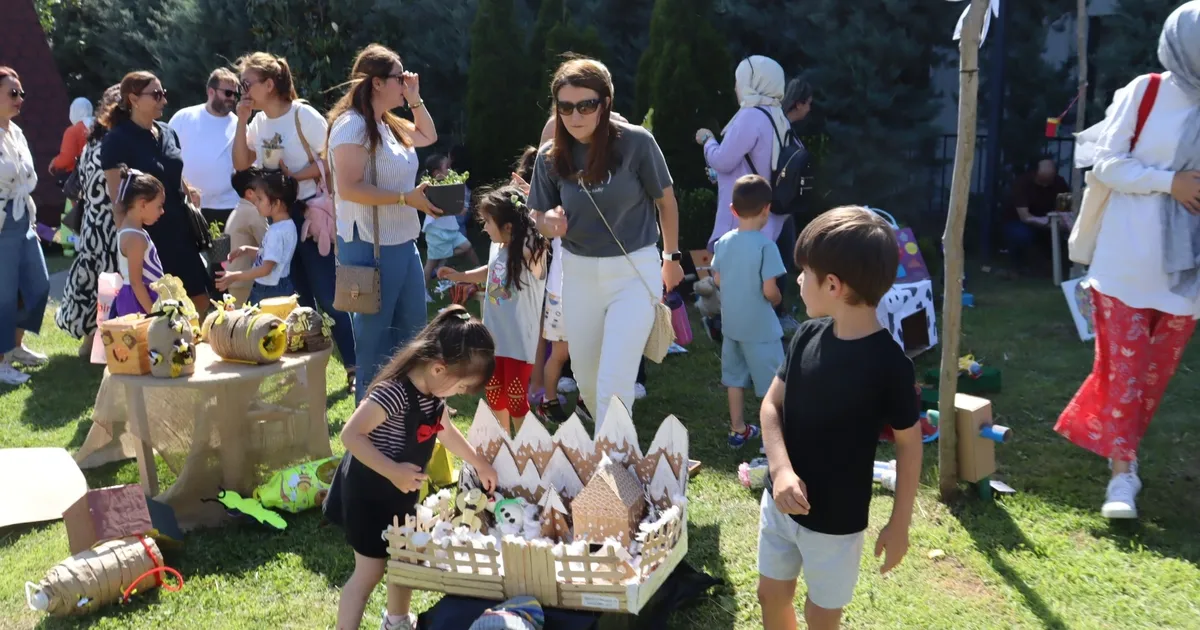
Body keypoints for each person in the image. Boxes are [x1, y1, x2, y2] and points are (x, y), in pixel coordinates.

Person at [1055, 2, 1200, 520]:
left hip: (1188, 273)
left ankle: (1115, 448)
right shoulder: (1148, 91)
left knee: (1151, 378)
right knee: (1125, 371)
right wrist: (1171, 182)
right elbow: (1108, 163)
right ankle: (1123, 475)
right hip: (1126, 261)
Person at [758, 207, 921, 630]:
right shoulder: (806, 336)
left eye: (804, 272)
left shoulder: (890, 365)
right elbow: (771, 407)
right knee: (770, 596)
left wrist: (899, 523)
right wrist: (779, 471)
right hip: (779, 506)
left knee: (821, 617)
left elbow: (909, 444)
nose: (797, 280)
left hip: (837, 523)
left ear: (832, 284)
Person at [528, 58, 682, 428]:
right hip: (578, 274)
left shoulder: (636, 143)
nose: (575, 115)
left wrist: (671, 256)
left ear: (605, 102)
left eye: (586, 105)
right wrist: (547, 223)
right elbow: (536, 215)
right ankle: (614, 456)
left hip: (633, 270)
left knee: (614, 378)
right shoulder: (551, 156)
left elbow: (666, 202)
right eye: (565, 106)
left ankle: (613, 468)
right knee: (587, 377)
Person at [324, 305, 499, 630]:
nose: (460, 395)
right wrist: (393, 470)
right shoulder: (392, 394)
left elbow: (444, 428)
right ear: (437, 368)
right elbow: (351, 435)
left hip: (399, 492)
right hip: (369, 494)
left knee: (405, 559)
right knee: (369, 572)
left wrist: (478, 462)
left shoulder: (432, 394)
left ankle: (398, 621)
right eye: (461, 387)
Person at [327, 43, 443, 402]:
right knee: (376, 341)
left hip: (403, 242)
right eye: (399, 77)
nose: (405, 81)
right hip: (368, 247)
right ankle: (369, 428)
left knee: (412, 335)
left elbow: (429, 136)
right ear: (377, 83)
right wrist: (404, 198)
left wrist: (415, 97)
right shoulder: (352, 126)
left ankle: (408, 412)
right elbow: (348, 188)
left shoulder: (388, 124)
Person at [235, 52, 356, 384]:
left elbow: (333, 160)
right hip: (280, 220)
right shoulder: (258, 123)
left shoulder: (303, 115)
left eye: (247, 83)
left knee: (330, 297)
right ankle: (304, 373)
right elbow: (242, 165)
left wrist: (296, 176)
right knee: (295, 301)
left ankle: (355, 367)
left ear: (269, 84)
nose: (242, 89)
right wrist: (242, 121)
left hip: (313, 218)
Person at [697, 56, 798, 335]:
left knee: (734, 281)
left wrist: (708, 141)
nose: (736, 87)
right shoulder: (778, 117)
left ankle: (731, 332)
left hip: (742, 216)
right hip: (768, 215)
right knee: (755, 281)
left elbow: (723, 160)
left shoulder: (751, 115)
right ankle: (753, 330)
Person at [100, 71, 213, 314]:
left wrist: (188, 191)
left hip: (180, 229)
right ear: (133, 98)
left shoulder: (168, 132)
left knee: (199, 298)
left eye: (164, 94)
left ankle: (198, 348)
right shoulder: (116, 140)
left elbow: (171, 170)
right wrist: (127, 241)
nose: (163, 100)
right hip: (148, 237)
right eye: (156, 94)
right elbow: (117, 197)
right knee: (156, 303)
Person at [438, 186, 548, 433]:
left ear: (508, 226)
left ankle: (526, 452)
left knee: (517, 401)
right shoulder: (497, 247)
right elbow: (491, 271)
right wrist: (460, 276)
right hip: (494, 341)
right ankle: (504, 447)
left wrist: (531, 211)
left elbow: (540, 235)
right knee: (496, 396)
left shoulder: (532, 252)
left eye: (488, 222)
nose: (484, 228)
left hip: (519, 345)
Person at [712, 175, 785, 449]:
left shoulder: (724, 242)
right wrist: (777, 299)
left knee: (734, 377)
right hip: (761, 329)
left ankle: (737, 429)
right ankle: (773, 441)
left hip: (733, 327)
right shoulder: (767, 246)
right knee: (774, 385)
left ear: (733, 210)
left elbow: (718, 280)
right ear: (767, 209)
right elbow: (769, 291)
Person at [55, 84, 122, 356]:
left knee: (95, 284)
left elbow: (76, 185)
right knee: (113, 284)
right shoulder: (119, 143)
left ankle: (92, 341)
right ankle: (106, 346)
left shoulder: (92, 142)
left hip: (92, 226)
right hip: (113, 225)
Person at [0, 67, 52, 384]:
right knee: (4, 294)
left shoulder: (16, 132)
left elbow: (26, 178)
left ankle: (15, 347)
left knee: (39, 285)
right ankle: (1, 360)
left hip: (23, 217)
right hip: (2, 218)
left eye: (21, 93)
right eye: (12, 93)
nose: (20, 99)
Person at [169, 68, 241, 226]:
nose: (232, 99)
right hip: (188, 204)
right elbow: (167, 156)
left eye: (235, 95)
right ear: (211, 92)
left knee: (223, 251)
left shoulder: (239, 125)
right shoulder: (184, 117)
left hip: (227, 206)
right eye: (228, 93)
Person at [217, 171, 299, 303]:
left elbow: (266, 269)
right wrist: (247, 250)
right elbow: (273, 257)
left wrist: (235, 276)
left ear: (276, 203)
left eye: (260, 199)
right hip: (279, 286)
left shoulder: (276, 232)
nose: (256, 203)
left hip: (269, 292)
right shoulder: (287, 226)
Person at [111, 167, 167, 317]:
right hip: (138, 302)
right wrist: (153, 314)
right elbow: (136, 282)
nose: (162, 211)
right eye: (159, 206)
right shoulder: (135, 238)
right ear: (142, 204)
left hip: (137, 297)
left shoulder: (129, 230)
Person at [1002, 157, 1070, 275]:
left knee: (1061, 235)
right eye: (1042, 180)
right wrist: (1049, 224)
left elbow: (1065, 209)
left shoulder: (1059, 183)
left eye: (1049, 180)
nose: (1045, 184)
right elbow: (1025, 217)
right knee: (1021, 234)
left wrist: (1061, 222)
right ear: (1034, 174)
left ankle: (1053, 266)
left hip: (1050, 220)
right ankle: (1018, 265)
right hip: (1020, 221)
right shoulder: (1022, 184)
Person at [421, 153, 479, 282]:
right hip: (436, 231)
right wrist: (459, 209)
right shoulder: (431, 188)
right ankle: (423, 292)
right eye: (447, 167)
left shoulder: (449, 184)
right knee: (430, 264)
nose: (450, 170)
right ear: (437, 173)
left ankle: (479, 271)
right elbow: (442, 207)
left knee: (467, 247)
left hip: (449, 228)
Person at [223, 167, 269, 305]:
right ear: (250, 193)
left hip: (236, 279)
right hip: (245, 282)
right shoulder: (253, 212)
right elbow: (269, 244)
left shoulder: (240, 208)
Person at [49, 97, 93, 179]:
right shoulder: (100, 126)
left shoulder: (73, 131)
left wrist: (55, 162)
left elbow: (67, 158)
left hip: (80, 177)